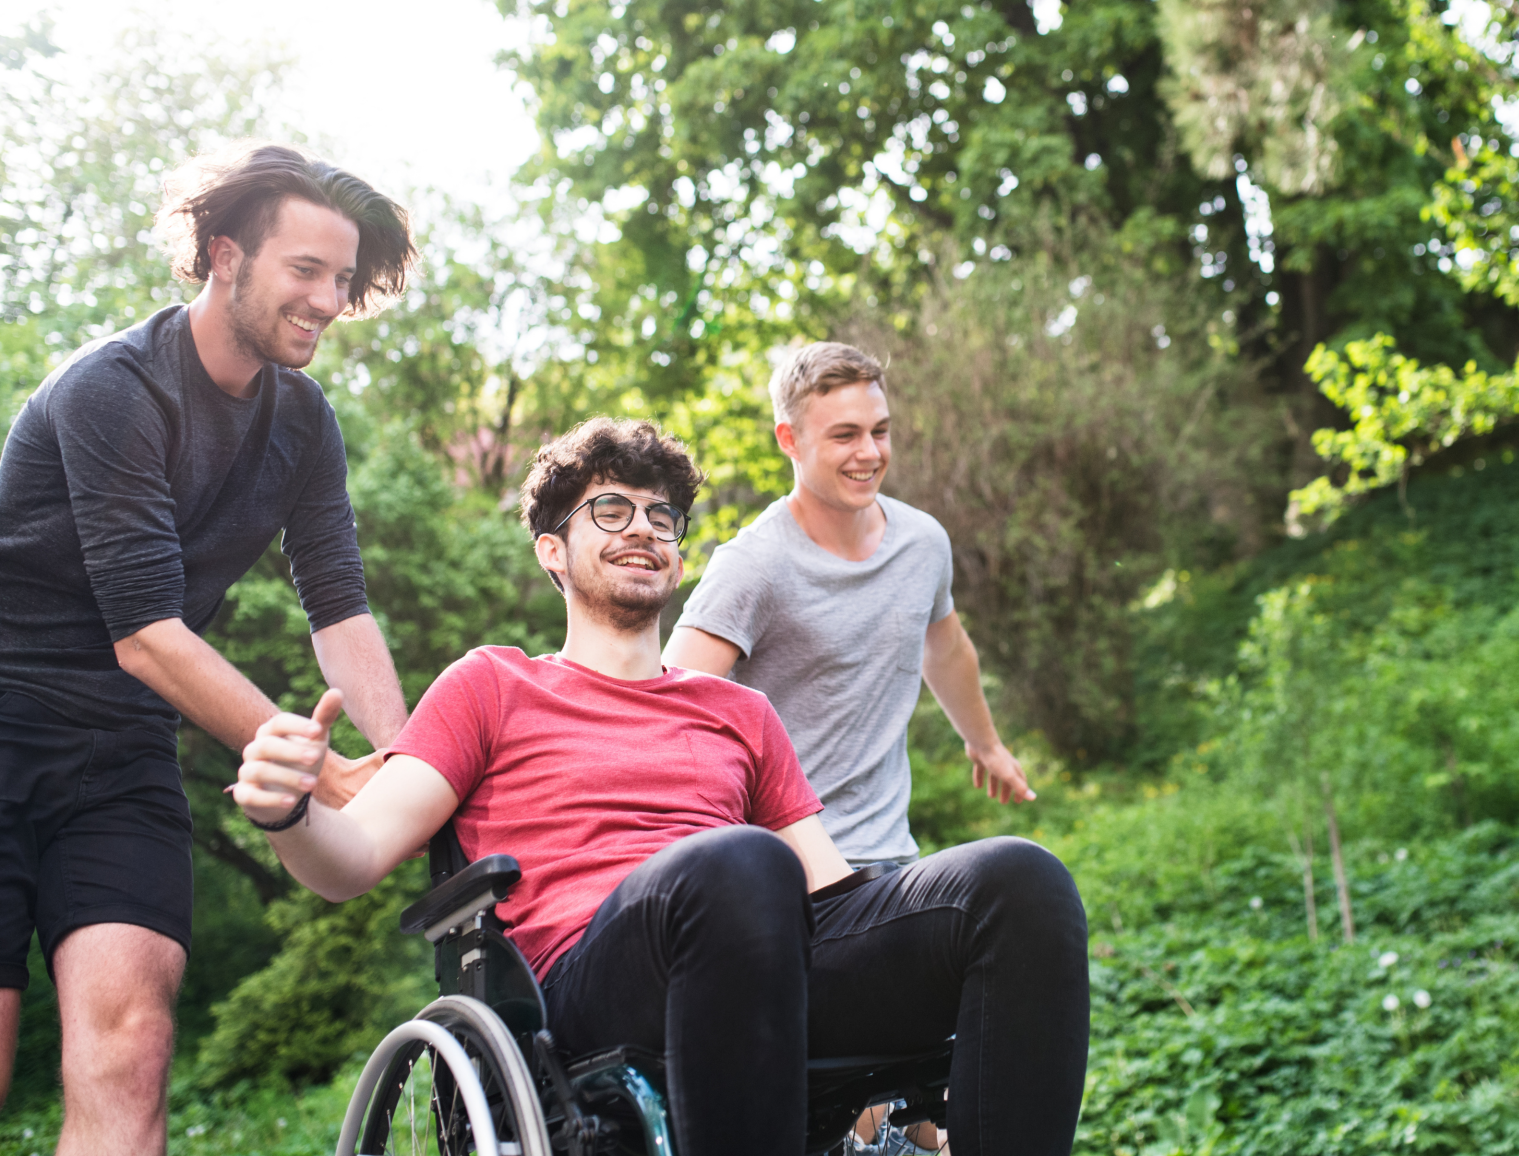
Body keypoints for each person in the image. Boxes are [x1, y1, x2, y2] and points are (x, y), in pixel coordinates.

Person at [230, 417, 1090, 1156]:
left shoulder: (739, 711)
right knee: (739, 866)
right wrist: (289, 811)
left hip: (759, 954)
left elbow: (829, 894)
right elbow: (354, 855)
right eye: (610, 508)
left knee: (1019, 880)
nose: (643, 526)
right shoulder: (492, 684)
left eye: (662, 515)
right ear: (552, 550)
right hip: (585, 989)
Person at [0, 144, 416, 1149]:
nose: (331, 298)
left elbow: (340, 608)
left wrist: (408, 765)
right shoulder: (115, 391)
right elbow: (146, 634)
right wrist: (305, 763)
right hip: (5, 721)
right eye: (306, 271)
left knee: (134, 1043)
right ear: (226, 257)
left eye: (344, 278)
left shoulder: (304, 422)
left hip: (123, 759)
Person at [664, 342, 1030, 869]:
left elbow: (946, 649)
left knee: (1020, 879)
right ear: (789, 440)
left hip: (891, 858)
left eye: (879, 431)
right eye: (845, 435)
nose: (871, 452)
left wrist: (987, 744)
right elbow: (669, 705)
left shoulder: (922, 542)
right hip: (784, 871)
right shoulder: (754, 563)